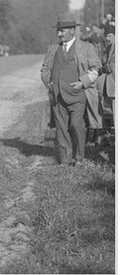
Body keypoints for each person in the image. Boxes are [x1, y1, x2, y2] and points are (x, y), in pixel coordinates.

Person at [40, 12, 102, 166]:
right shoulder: (53, 49)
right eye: (58, 30)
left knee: (76, 125)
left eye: (62, 30)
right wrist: (48, 82)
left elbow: (96, 68)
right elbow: (45, 69)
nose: (59, 33)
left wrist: (83, 82)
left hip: (78, 96)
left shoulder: (86, 48)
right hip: (58, 96)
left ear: (72, 31)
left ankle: (79, 158)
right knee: (61, 129)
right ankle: (65, 160)